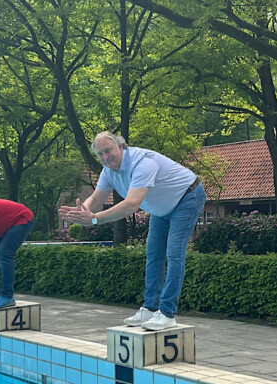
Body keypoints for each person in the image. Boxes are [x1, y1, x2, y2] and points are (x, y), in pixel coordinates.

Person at [59, 132, 206, 331]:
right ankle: (150, 307)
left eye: (108, 150)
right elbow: (95, 199)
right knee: (153, 255)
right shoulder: (108, 171)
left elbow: (131, 205)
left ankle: (167, 313)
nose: (105, 157)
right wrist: (83, 210)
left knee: (174, 253)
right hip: (161, 208)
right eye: (100, 154)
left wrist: (94, 218)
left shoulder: (142, 163)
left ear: (120, 147)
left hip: (187, 197)